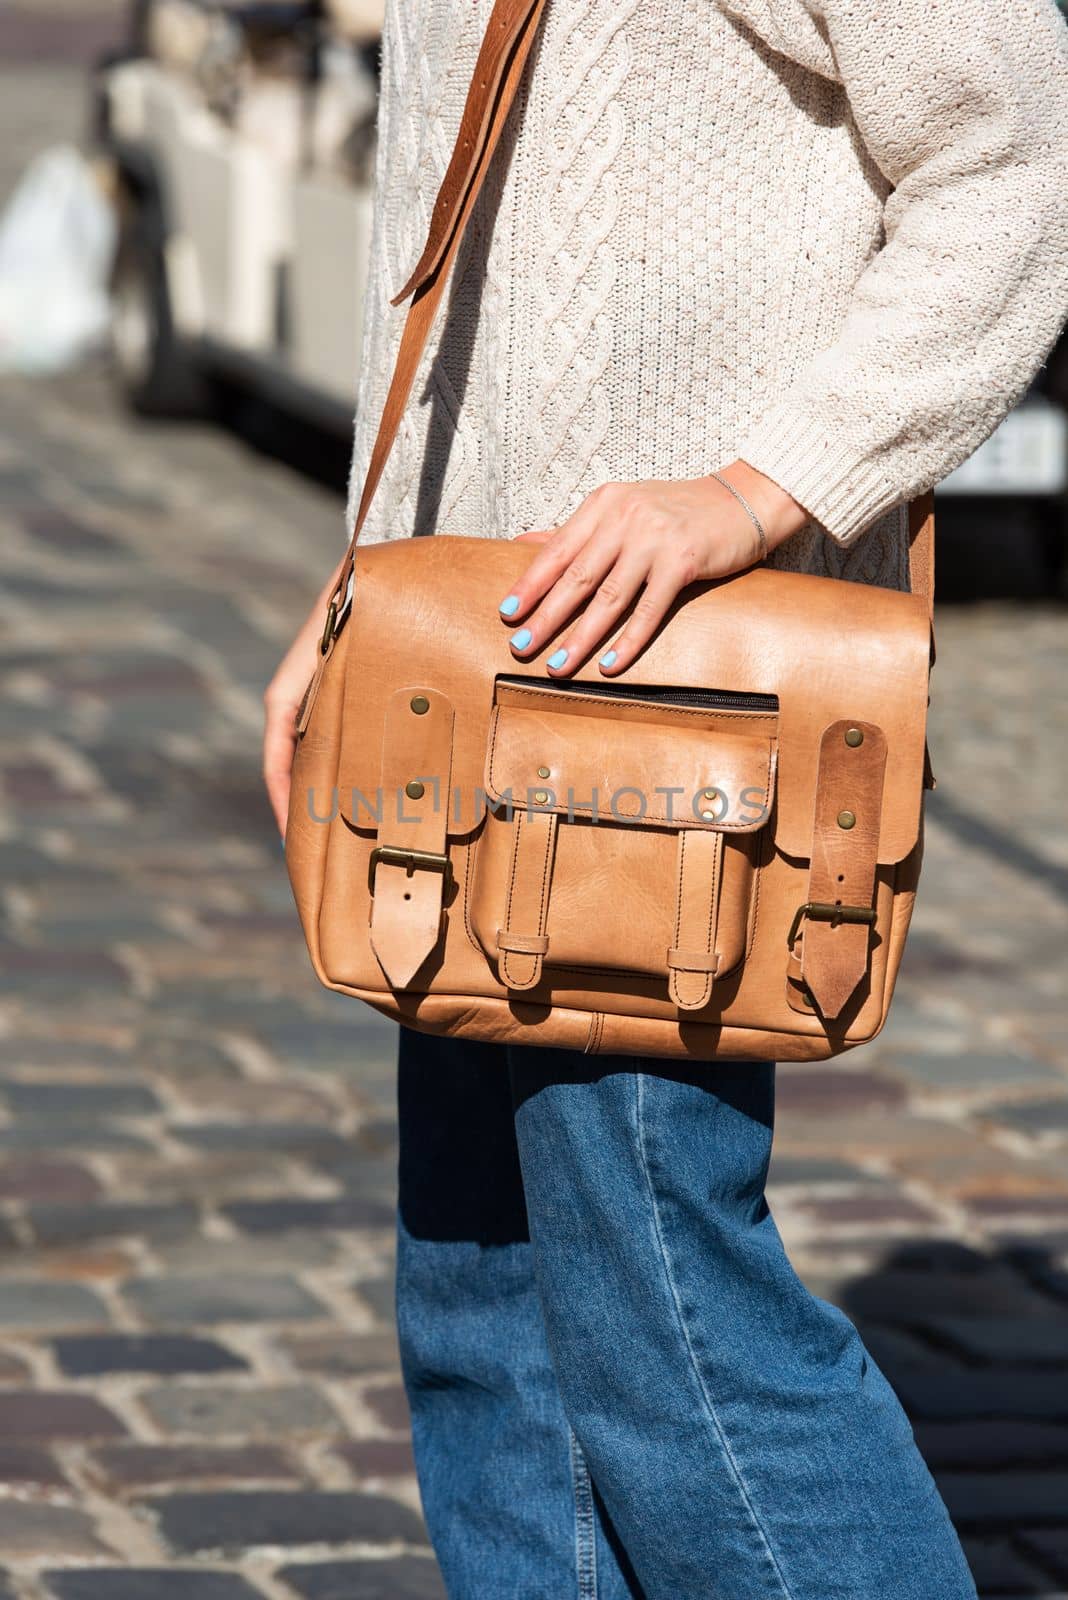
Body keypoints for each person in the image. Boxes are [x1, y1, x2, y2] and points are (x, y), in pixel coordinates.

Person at [264, 1, 1068, 1594]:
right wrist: (366, 587)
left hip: (675, 722)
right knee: (482, 1312)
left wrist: (753, 489)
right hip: (465, 689)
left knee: (671, 1320)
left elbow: (1016, 172)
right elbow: (463, 217)